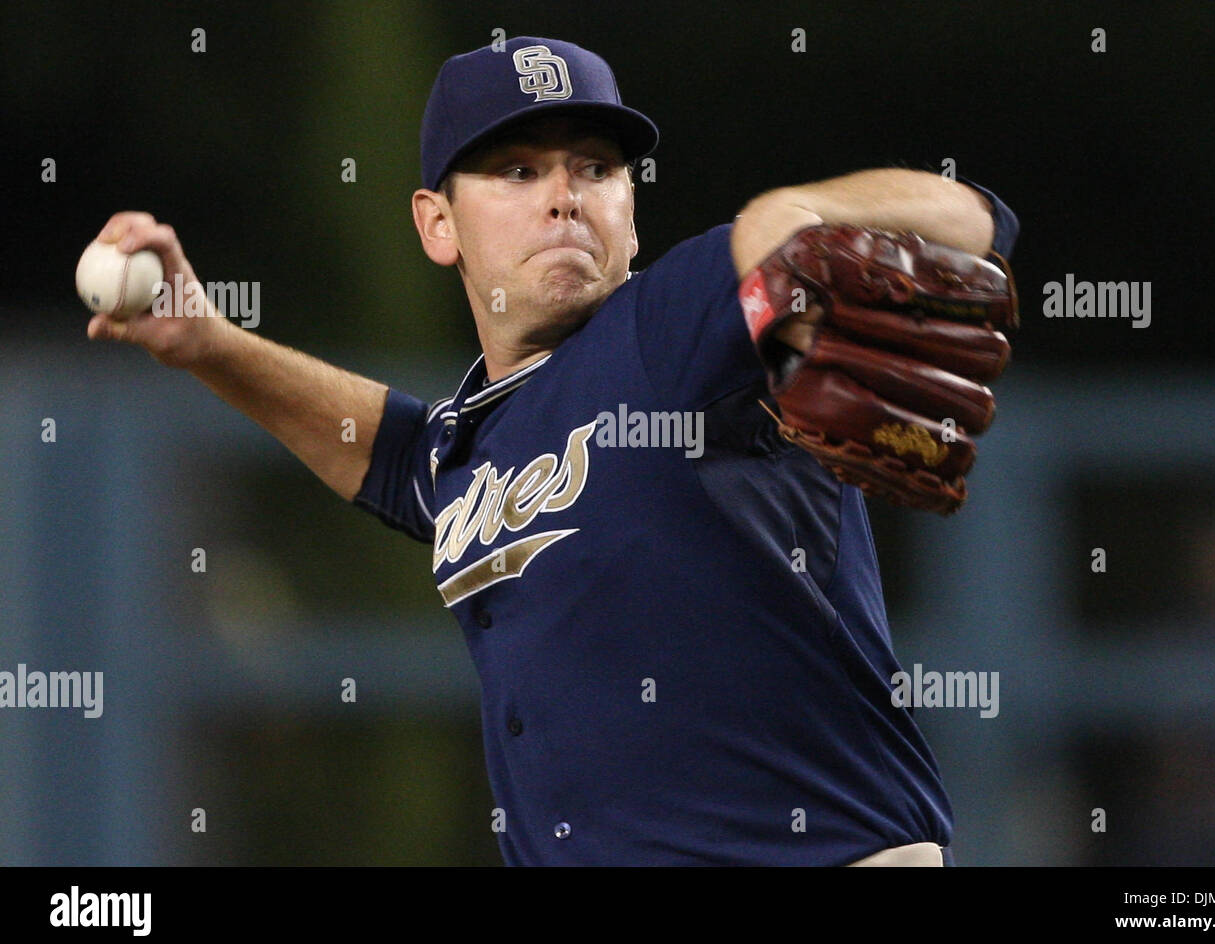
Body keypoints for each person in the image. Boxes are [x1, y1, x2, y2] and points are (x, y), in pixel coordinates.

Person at [88, 36, 1019, 865]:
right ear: (437, 224)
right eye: (518, 171)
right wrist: (207, 341)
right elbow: (397, 457)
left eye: (595, 167)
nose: (566, 197)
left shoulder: (675, 323)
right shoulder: (473, 439)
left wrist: (801, 210)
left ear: (632, 210)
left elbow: (974, 220)